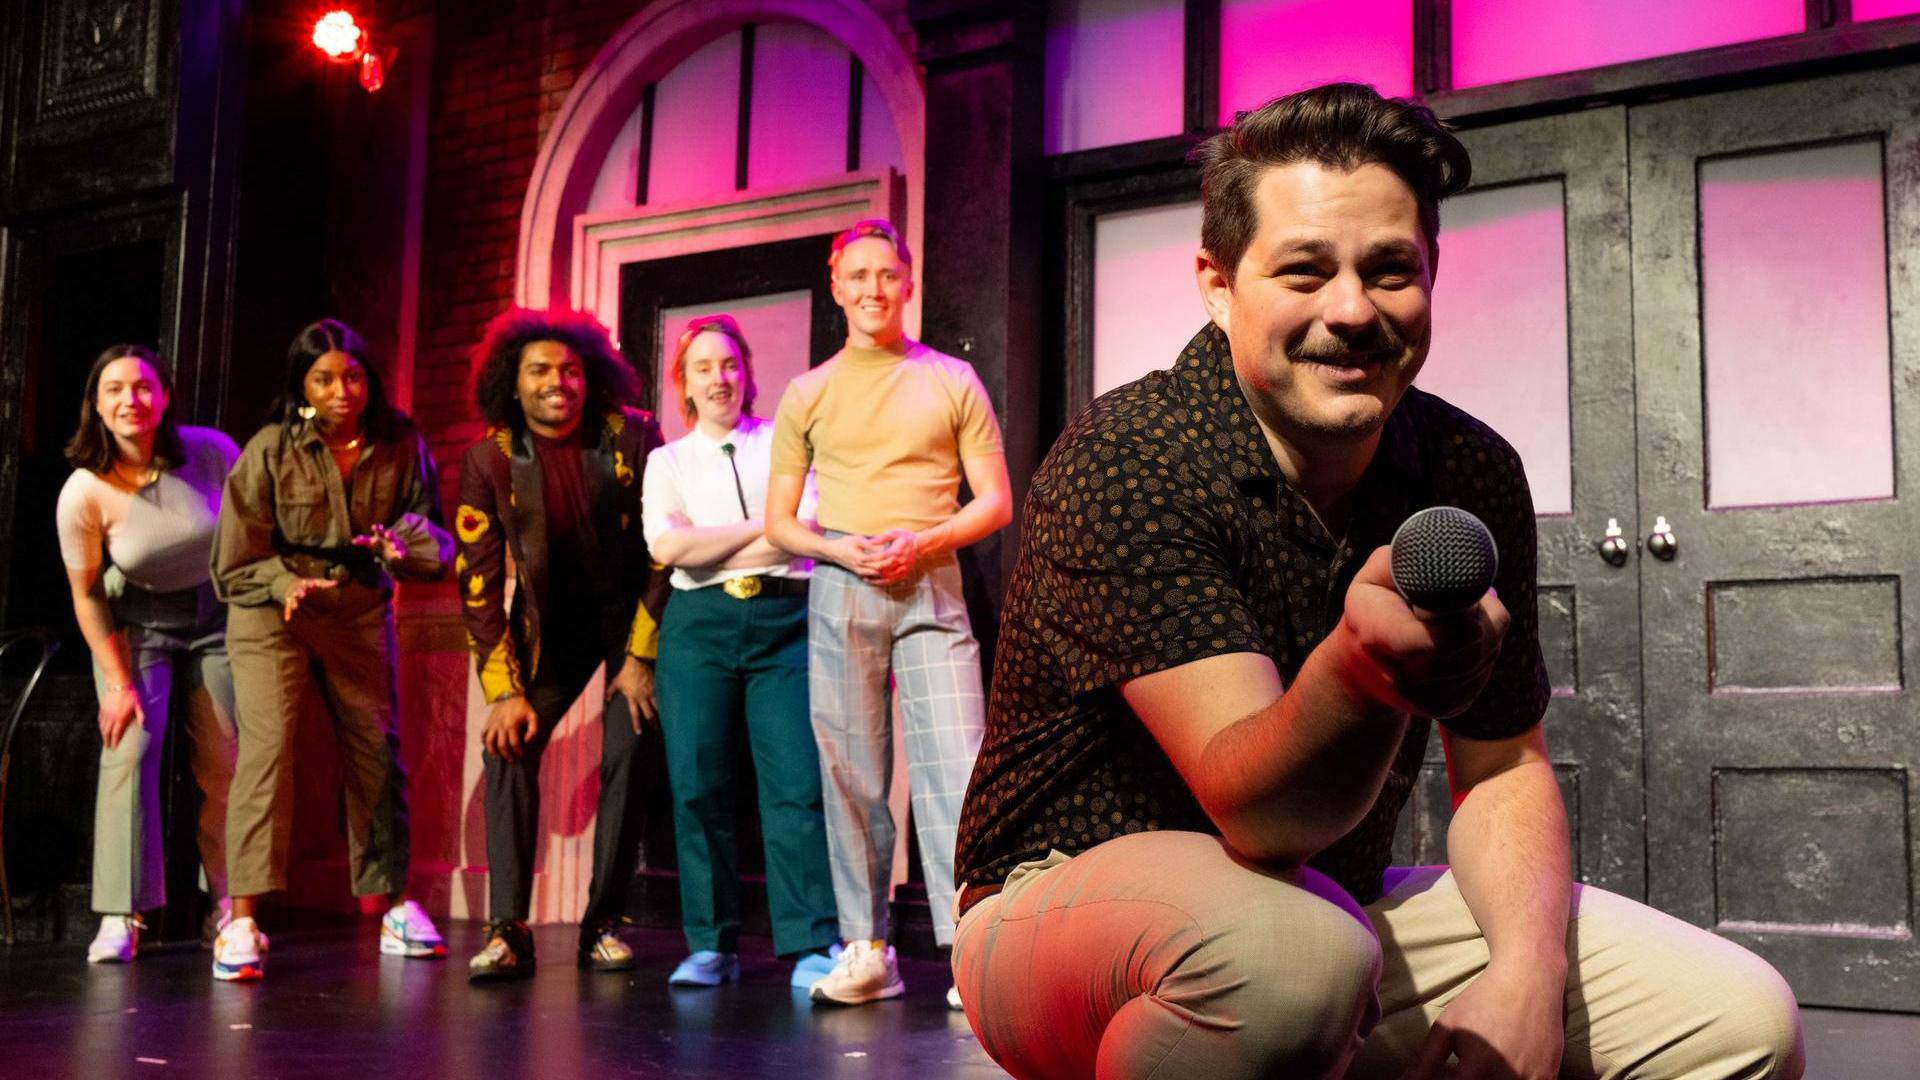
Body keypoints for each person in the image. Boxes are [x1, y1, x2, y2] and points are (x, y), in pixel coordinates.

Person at [951, 83, 1805, 1079]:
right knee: (1286, 960)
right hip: (1059, 907)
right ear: (1219, 285)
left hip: (1328, 910)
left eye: (1390, 271)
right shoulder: (1132, 457)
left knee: (1742, 1023)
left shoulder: (1465, 468)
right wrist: (1359, 672)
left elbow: (1503, 767)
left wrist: (1525, 979)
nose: (1352, 311)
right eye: (1305, 271)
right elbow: (1257, 812)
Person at [765, 220, 1012, 1007]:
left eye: (887, 274)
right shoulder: (808, 392)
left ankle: (970, 950)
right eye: (859, 275)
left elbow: (996, 501)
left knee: (957, 767)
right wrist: (837, 549)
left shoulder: (951, 379)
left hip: (931, 581)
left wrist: (924, 540)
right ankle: (867, 948)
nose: (874, 289)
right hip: (844, 584)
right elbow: (779, 523)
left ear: (908, 283)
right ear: (836, 285)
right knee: (852, 774)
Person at [210, 319, 452, 981]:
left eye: (353, 376)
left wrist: (403, 547)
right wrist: (284, 584)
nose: (342, 391)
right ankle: (243, 918)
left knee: (376, 748)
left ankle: (394, 906)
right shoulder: (270, 448)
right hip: (273, 609)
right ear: (302, 388)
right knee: (268, 748)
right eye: (324, 380)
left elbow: (433, 535)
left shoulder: (401, 444)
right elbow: (233, 561)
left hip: (356, 604)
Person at [457, 307, 670, 982]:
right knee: (507, 744)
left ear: (591, 375)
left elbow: (664, 551)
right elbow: (477, 586)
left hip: (634, 618)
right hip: (552, 629)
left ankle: (602, 924)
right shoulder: (489, 459)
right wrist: (503, 692)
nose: (557, 382)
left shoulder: (633, 435)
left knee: (629, 745)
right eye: (540, 370)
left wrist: (640, 659)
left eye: (570, 369)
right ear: (512, 381)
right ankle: (508, 931)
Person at [641, 315, 840, 990]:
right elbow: (668, 548)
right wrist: (766, 527)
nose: (718, 378)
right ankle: (710, 944)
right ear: (684, 383)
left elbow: (807, 527)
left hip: (785, 619)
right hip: (698, 627)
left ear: (746, 373)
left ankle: (809, 943)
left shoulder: (782, 443)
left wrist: (716, 543)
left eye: (728, 364)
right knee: (699, 786)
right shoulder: (667, 462)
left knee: (795, 783)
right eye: (703, 368)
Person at [56, 344, 241, 963]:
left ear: (164, 396)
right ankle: (121, 913)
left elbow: (254, 530)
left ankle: (230, 906)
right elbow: (86, 593)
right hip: (135, 621)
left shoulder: (212, 451)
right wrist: (116, 683)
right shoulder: (84, 490)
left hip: (217, 615)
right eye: (114, 389)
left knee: (227, 759)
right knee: (129, 746)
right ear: (96, 404)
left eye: (142, 386)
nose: (130, 400)